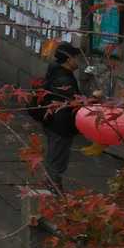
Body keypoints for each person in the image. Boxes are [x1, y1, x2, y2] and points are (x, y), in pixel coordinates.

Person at [37, 44, 83, 190]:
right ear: (69, 59)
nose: (79, 61)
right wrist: (93, 99)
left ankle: (51, 186)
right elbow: (72, 101)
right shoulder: (64, 80)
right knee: (57, 159)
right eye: (77, 58)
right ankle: (53, 188)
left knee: (55, 156)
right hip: (60, 125)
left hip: (53, 122)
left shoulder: (56, 71)